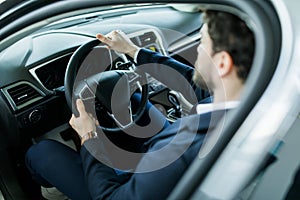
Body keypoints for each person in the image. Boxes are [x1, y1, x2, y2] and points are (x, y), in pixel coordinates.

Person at [25, 10, 255, 200]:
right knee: (130, 100)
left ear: (223, 62)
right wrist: (133, 51)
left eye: (203, 42)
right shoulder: (249, 99)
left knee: (41, 153)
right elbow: (193, 84)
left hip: (131, 188)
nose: (198, 49)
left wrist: (89, 137)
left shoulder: (189, 147)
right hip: (165, 158)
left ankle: (54, 193)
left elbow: (112, 197)